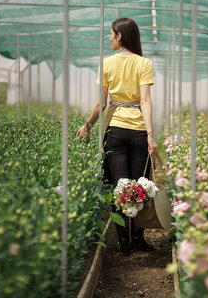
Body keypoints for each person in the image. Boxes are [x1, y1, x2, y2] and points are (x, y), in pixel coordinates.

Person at [76, 17, 157, 255]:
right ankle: (138, 239)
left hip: (116, 129)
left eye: (111, 34)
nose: (109, 38)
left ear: (120, 36)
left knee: (118, 186)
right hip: (139, 129)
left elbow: (101, 104)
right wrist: (150, 135)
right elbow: (145, 101)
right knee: (140, 183)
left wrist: (88, 124)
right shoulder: (144, 63)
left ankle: (124, 243)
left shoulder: (106, 63)